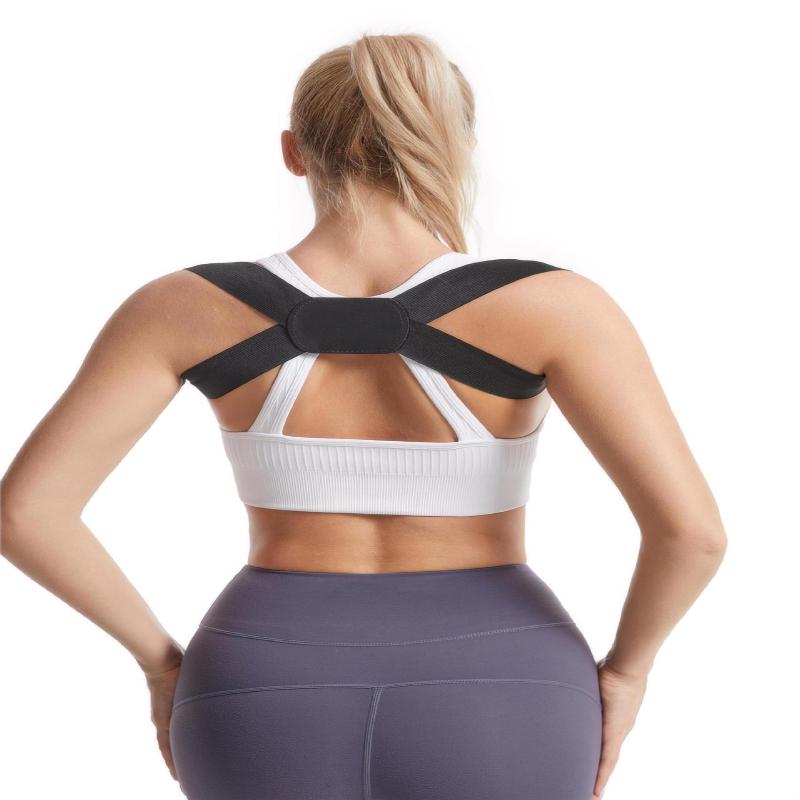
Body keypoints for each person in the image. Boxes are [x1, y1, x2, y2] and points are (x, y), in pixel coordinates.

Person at [0, 32, 727, 800]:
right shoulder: (556, 307)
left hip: (261, 677)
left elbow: (25, 515)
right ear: (459, 147)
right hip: (503, 681)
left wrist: (160, 663)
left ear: (293, 152)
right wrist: (627, 674)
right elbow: (693, 535)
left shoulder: (182, 308)